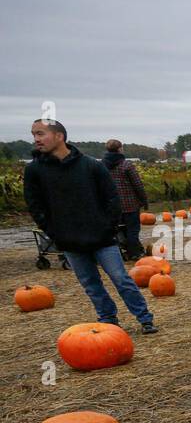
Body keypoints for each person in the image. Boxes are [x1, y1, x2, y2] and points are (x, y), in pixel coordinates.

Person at [23, 118, 157, 334]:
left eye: (40, 134)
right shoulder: (35, 171)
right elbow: (35, 205)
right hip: (69, 240)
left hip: (102, 237)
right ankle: (108, 320)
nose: (36, 139)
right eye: (34, 134)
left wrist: (108, 226)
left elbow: (112, 198)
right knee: (90, 284)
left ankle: (144, 318)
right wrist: (54, 232)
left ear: (59, 136)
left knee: (121, 278)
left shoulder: (90, 165)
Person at [102, 139, 148, 260]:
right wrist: (144, 200)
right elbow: (137, 184)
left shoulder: (102, 165)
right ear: (120, 149)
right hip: (130, 203)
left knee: (118, 229)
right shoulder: (126, 164)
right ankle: (135, 253)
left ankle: (123, 250)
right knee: (132, 229)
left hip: (112, 204)